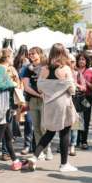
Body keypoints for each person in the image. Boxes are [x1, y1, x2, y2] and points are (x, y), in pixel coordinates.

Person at [26, 43, 78, 172]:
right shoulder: (65, 68)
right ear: (63, 53)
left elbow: (39, 87)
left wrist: (49, 90)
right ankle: (64, 164)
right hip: (63, 103)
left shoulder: (44, 69)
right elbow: (72, 89)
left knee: (49, 132)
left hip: (49, 103)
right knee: (65, 132)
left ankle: (34, 156)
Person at [22, 46, 52, 159]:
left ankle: (47, 149)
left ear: (39, 54)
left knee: (44, 126)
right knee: (36, 127)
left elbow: (49, 83)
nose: (31, 56)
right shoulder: (27, 69)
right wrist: (38, 95)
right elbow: (26, 86)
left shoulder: (46, 67)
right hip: (33, 100)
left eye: (33, 53)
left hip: (46, 100)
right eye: (30, 54)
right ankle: (41, 152)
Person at [78, 52, 92, 150]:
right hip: (76, 97)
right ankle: (76, 140)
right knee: (76, 118)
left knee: (85, 119)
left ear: (86, 61)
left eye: (83, 59)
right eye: (80, 59)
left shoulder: (91, 71)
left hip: (86, 97)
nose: (81, 61)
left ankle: (84, 141)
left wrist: (87, 83)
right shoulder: (74, 70)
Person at [69, 54, 86, 155]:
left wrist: (76, 85)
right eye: (68, 61)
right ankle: (64, 144)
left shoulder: (78, 74)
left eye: (72, 61)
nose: (70, 63)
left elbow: (84, 88)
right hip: (65, 101)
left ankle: (73, 145)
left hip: (76, 100)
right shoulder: (61, 73)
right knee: (64, 124)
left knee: (75, 124)